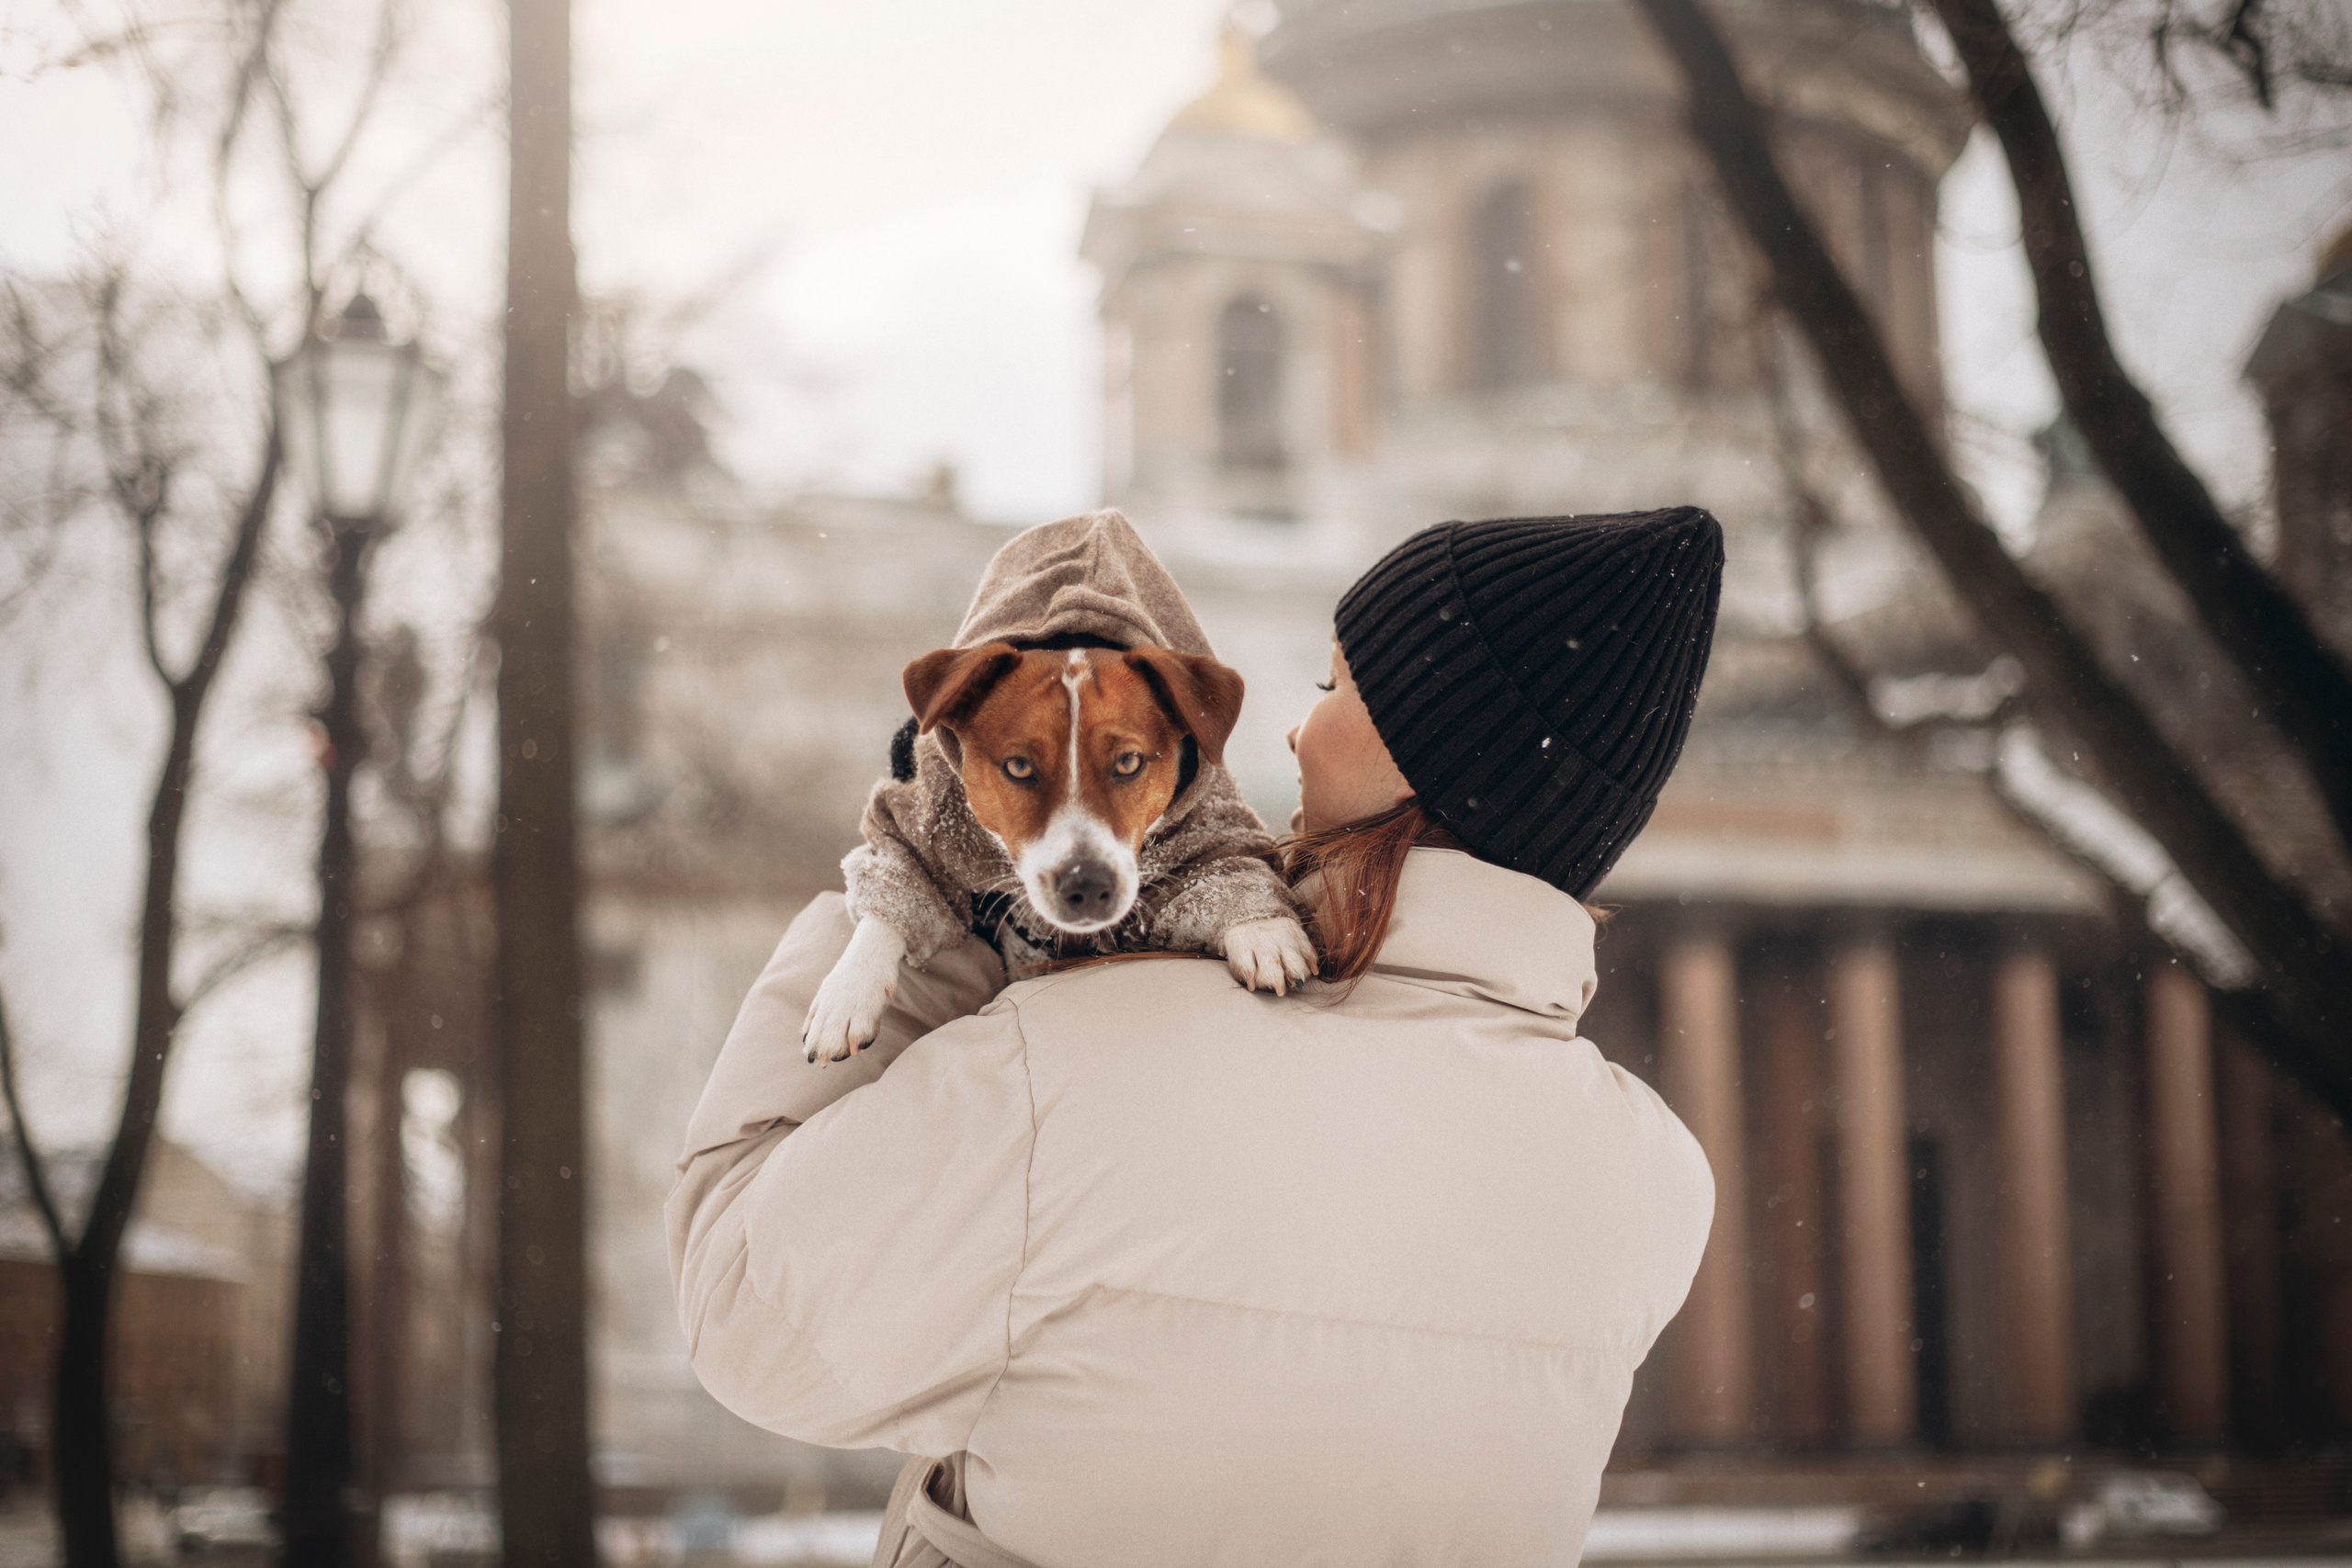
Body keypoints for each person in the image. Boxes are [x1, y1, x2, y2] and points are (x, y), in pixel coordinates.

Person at [668, 509, 1725, 1568]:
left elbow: (743, 1315)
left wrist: (930, 890)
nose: (1293, 732)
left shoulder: (1068, 1065)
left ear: (1433, 760)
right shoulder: (1656, 1177)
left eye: (1332, 690)